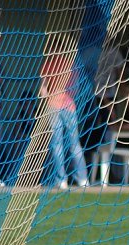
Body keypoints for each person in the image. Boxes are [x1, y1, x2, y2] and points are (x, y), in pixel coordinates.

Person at [40, 54, 89, 189]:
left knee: (57, 144)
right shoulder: (71, 65)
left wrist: (47, 100)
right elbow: (76, 88)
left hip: (53, 105)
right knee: (74, 144)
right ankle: (83, 179)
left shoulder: (48, 63)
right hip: (69, 106)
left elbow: (43, 89)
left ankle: (61, 180)